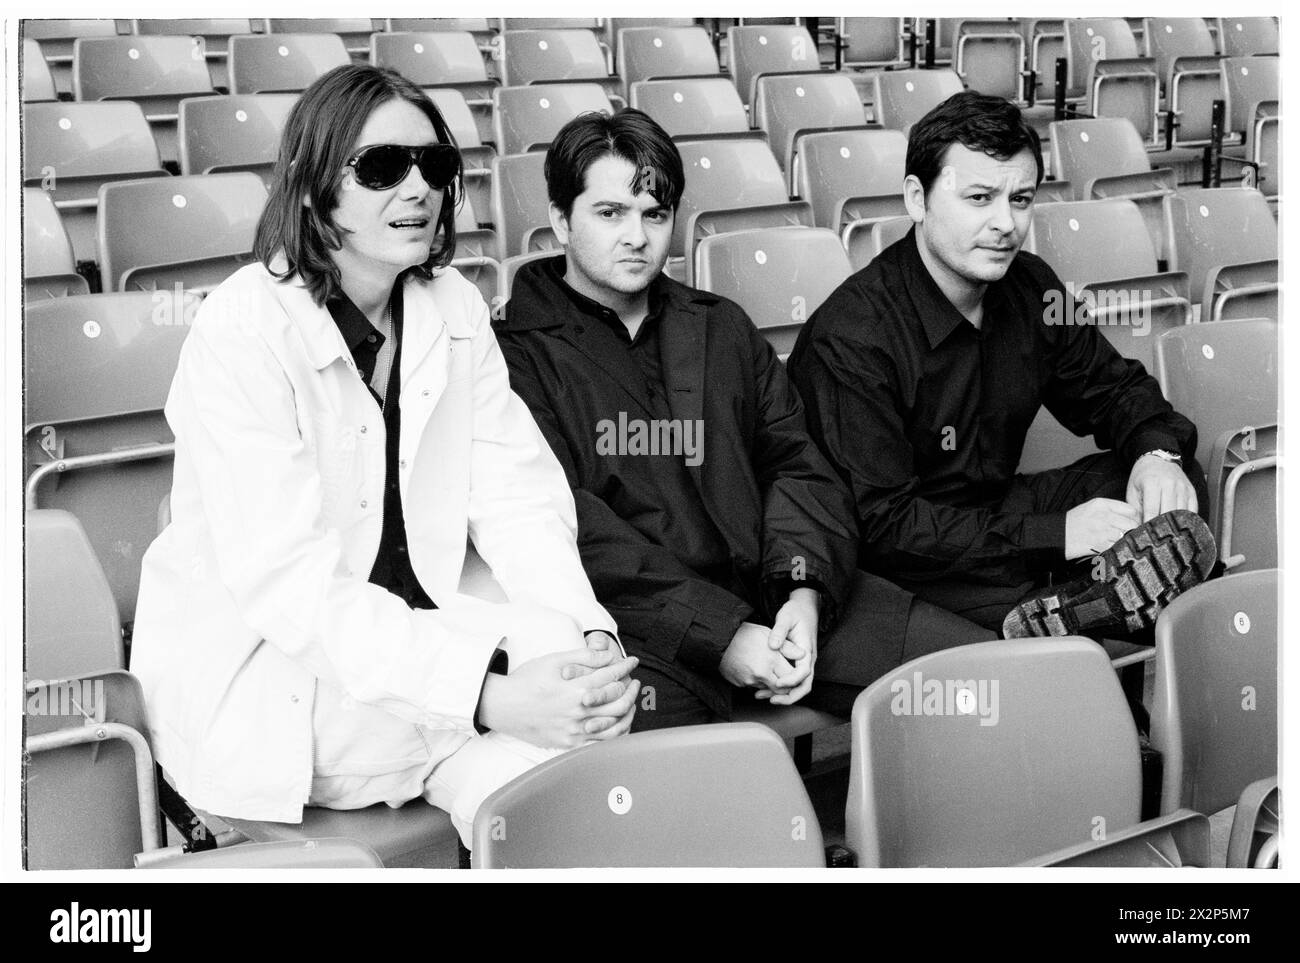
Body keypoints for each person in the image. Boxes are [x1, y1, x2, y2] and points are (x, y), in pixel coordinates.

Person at [130, 66, 639, 846]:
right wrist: (490, 697)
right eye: (380, 168)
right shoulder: (241, 328)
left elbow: (517, 499)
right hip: (285, 683)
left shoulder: (454, 305)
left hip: (423, 651)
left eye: (433, 165)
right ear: (310, 188)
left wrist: (584, 638)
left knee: (585, 770)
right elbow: (292, 589)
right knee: (547, 759)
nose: (418, 189)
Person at [495, 109, 991, 730]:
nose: (637, 236)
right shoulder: (511, 357)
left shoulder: (720, 325)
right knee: (698, 781)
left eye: (654, 214)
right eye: (609, 213)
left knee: (984, 682)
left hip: (777, 598)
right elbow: (570, 529)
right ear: (560, 220)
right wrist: (721, 637)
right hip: (641, 634)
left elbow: (798, 462)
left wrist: (803, 595)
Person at [786, 91, 1216, 641]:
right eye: (980, 197)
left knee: (1173, 482)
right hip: (905, 554)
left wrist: (1157, 458)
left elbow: (1116, 390)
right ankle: (1083, 603)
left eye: (1020, 199)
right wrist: (1056, 535)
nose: (1005, 223)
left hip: (1001, 513)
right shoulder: (851, 337)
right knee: (979, 577)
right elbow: (885, 527)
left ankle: (1079, 603)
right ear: (917, 199)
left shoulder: (1032, 286)